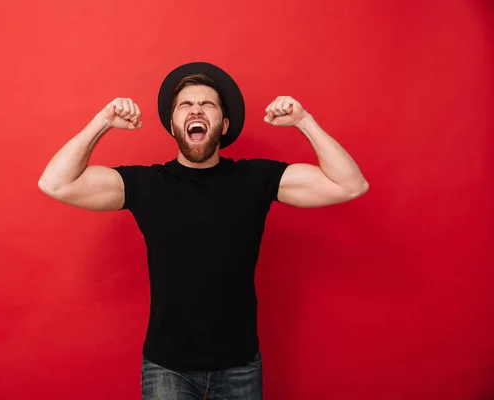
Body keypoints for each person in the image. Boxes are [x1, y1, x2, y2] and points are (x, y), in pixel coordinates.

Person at [38, 62, 369, 399]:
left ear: (223, 125)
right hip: (167, 369)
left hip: (240, 367)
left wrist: (304, 122)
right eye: (186, 104)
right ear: (173, 125)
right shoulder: (146, 185)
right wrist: (102, 123)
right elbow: (56, 183)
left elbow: (349, 185)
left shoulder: (255, 179)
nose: (196, 108)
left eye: (207, 104)